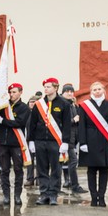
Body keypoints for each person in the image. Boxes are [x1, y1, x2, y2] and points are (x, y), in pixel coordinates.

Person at [28, 78, 72, 206]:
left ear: (56, 88)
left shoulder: (64, 104)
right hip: (40, 141)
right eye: (45, 86)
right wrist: (31, 140)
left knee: (55, 169)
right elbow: (33, 123)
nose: (46, 89)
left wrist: (65, 142)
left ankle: (53, 194)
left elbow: (67, 125)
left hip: (56, 142)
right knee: (42, 168)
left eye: (48, 86)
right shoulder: (39, 104)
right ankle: (44, 193)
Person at [77, 81, 108, 207]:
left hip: (105, 141)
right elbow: (81, 125)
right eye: (94, 89)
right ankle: (94, 197)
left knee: (104, 170)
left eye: (99, 89)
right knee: (91, 170)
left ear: (104, 91)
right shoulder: (84, 106)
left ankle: (102, 196)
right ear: (91, 92)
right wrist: (82, 142)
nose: (97, 91)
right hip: (90, 140)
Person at [0, 82, 30, 206]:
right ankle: (6, 196)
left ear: (20, 92)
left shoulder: (24, 107)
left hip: (16, 143)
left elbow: (19, 123)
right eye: (10, 92)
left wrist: (3, 121)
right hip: (3, 143)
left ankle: (17, 196)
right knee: (4, 170)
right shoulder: (3, 107)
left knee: (18, 170)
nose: (11, 94)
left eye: (14, 92)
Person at [60, 84, 86, 194]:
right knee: (72, 161)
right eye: (67, 91)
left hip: (73, 138)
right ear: (63, 93)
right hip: (65, 138)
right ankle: (74, 185)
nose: (70, 93)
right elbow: (60, 122)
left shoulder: (72, 105)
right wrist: (73, 120)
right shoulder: (61, 104)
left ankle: (66, 184)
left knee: (64, 162)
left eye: (71, 91)